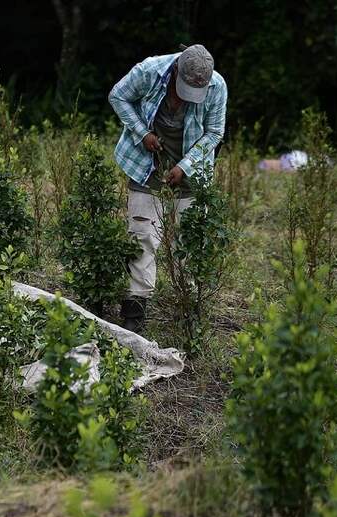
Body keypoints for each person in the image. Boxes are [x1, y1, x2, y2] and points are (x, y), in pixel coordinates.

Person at [108, 44, 227, 333]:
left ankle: (188, 309)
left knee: (189, 240)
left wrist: (184, 167)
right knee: (142, 236)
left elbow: (215, 132)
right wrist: (143, 132)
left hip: (191, 171)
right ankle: (135, 311)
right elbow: (118, 96)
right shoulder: (149, 71)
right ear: (175, 71)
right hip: (146, 165)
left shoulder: (217, 86)